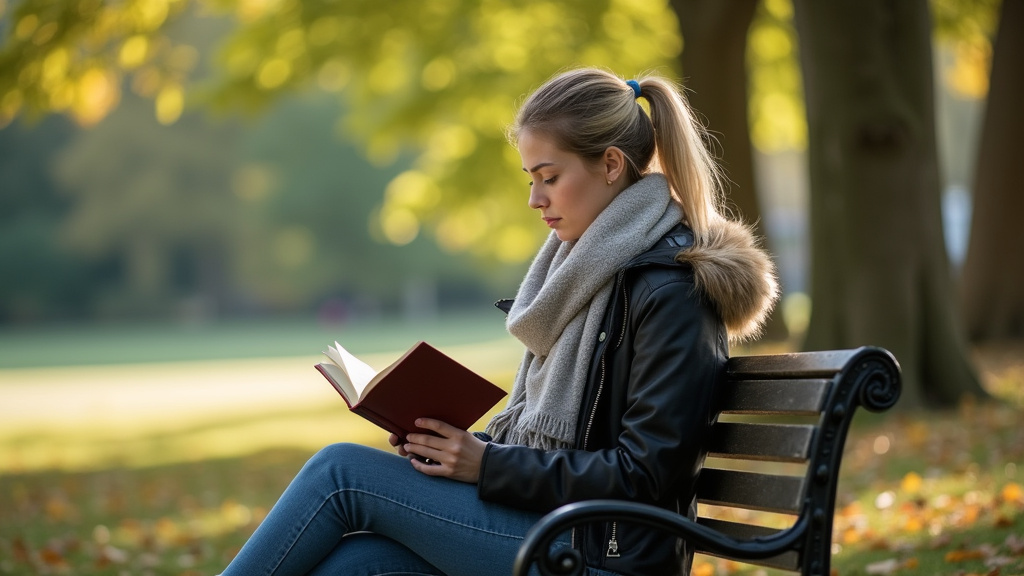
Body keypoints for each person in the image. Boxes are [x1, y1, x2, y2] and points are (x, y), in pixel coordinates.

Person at [218, 67, 778, 576]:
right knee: (355, 564)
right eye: (530, 179)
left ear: (611, 165)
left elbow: (646, 475)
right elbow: (568, 437)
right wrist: (451, 447)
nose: (535, 199)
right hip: (557, 529)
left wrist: (486, 464)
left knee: (340, 473)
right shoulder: (588, 277)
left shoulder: (671, 292)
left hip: (604, 556)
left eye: (549, 177)